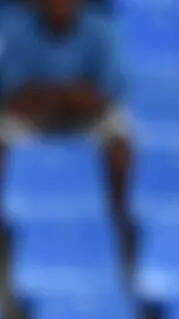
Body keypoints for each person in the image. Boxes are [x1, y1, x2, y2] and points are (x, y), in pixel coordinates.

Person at [0, 0, 132, 229]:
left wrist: (54, 95)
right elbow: (13, 95)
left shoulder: (102, 29)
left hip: (86, 118)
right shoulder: (17, 30)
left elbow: (107, 93)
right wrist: (68, 95)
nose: (59, 5)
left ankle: (118, 221)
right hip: (34, 117)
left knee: (120, 136)